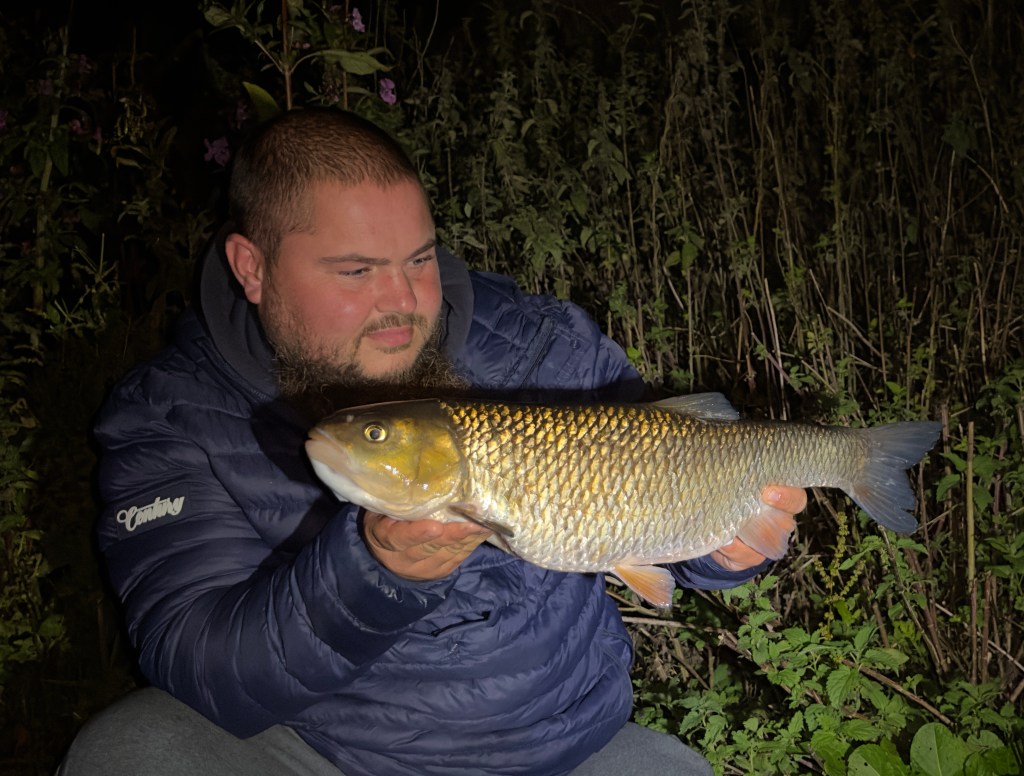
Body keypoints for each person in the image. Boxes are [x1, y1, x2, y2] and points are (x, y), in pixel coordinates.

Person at [60, 108, 806, 776]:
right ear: (251, 268)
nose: (403, 301)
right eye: (356, 270)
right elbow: (198, 659)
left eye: (419, 260)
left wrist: (721, 544)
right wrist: (372, 573)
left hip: (568, 744)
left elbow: (666, 485)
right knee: (127, 750)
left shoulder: (541, 342)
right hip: (324, 752)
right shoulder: (172, 413)